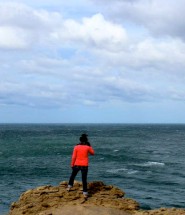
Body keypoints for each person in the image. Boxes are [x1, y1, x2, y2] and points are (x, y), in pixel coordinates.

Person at [67, 134, 95, 198]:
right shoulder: (87, 147)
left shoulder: (76, 147)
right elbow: (93, 153)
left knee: (72, 176)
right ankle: (85, 193)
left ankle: (69, 187)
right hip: (84, 165)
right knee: (84, 179)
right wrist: (89, 146)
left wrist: (72, 164)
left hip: (76, 164)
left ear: (80, 140)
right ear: (86, 141)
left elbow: (74, 157)